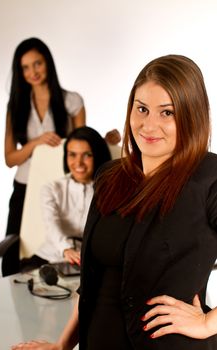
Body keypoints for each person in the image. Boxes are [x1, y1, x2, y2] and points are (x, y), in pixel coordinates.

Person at [11, 53, 217, 350]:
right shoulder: (110, 176)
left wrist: (207, 323)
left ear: (191, 114)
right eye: (142, 109)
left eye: (167, 113)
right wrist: (62, 345)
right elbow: (93, 279)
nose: (149, 125)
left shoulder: (209, 178)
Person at [3, 37, 120, 276]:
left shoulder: (71, 101)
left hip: (61, 182)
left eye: (37, 63)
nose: (32, 72)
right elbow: (10, 158)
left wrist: (105, 143)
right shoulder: (16, 105)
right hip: (24, 186)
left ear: (48, 63)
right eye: (25, 67)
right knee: (13, 254)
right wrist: (36, 143)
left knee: (65, 242)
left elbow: (80, 143)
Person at [20, 126, 111, 271]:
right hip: (49, 256)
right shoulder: (51, 189)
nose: (78, 163)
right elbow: (51, 224)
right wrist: (66, 249)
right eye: (72, 155)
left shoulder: (109, 192)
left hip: (88, 260)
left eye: (87, 155)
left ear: (97, 155)